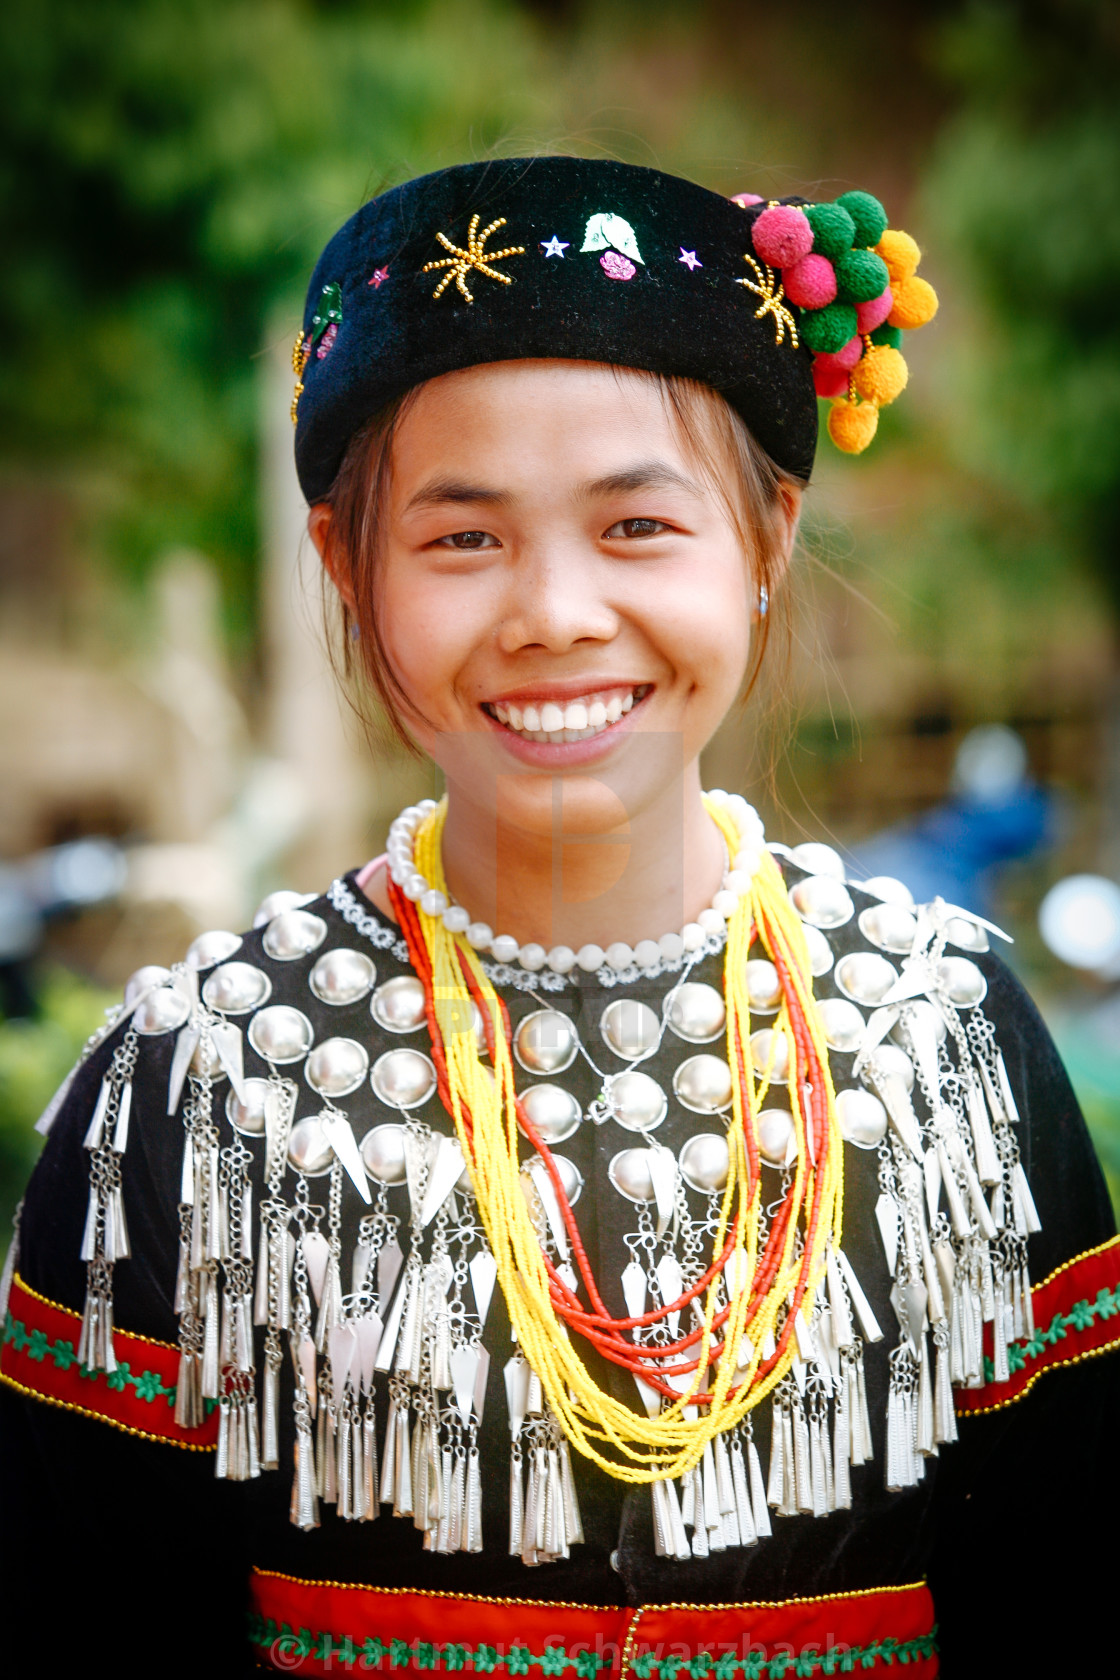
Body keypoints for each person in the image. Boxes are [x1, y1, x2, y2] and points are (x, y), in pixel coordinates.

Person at [1, 156, 1116, 1679]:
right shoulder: (194, 1086)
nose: (556, 611)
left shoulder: (947, 1041)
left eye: (638, 527)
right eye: (462, 538)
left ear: (769, 537)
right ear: (347, 565)